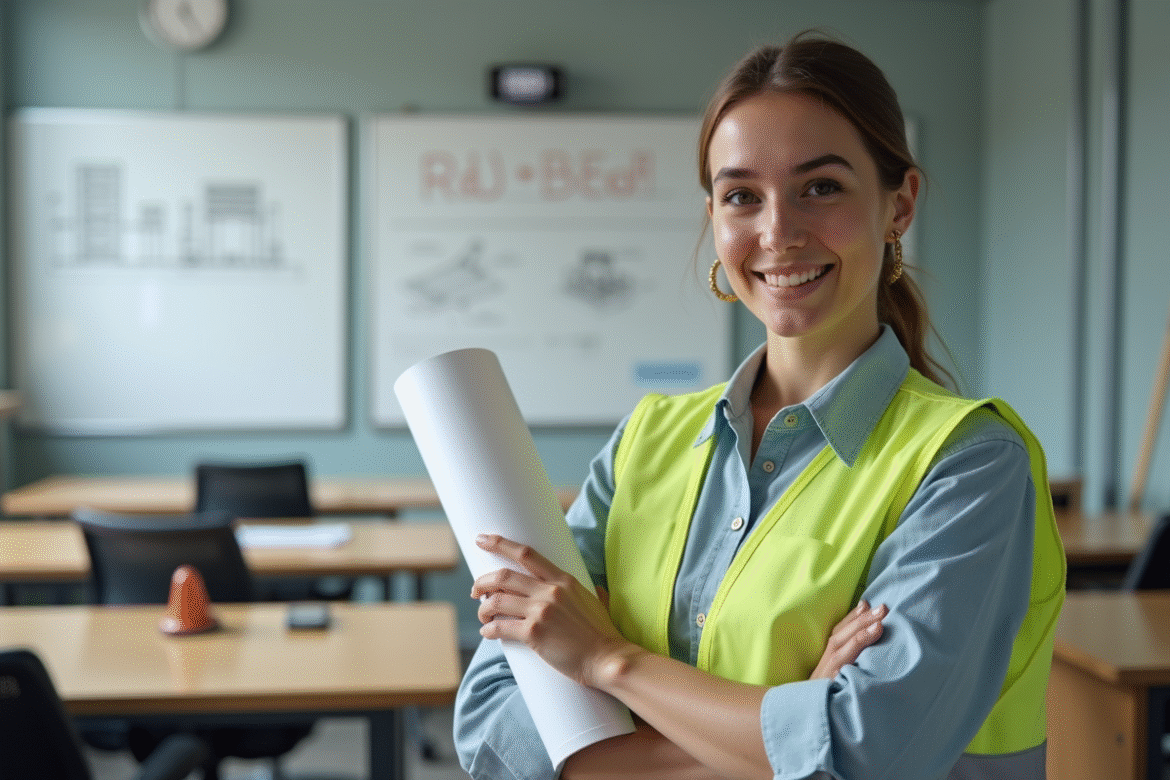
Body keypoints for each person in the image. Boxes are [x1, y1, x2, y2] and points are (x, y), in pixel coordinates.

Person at [454, 31, 1065, 780]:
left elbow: (865, 755)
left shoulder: (971, 465)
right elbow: (493, 719)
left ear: (898, 204)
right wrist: (791, 715)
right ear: (715, 217)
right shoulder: (646, 441)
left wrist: (608, 661)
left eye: (821, 187)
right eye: (742, 195)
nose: (778, 232)